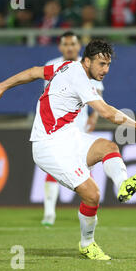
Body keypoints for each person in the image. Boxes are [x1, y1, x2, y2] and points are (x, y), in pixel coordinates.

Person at [0, 39, 136, 260]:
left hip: (69, 136)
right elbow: (108, 113)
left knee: (108, 147)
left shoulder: (65, 66)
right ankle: (87, 244)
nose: (106, 70)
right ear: (88, 60)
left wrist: (4, 85)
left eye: (108, 65)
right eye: (101, 64)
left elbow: (34, 72)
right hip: (48, 145)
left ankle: (123, 186)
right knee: (92, 194)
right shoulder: (79, 76)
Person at [40, 31, 105, 227]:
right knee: (55, 166)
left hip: (80, 127)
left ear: (78, 46)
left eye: (73, 44)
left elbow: (97, 95)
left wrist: (94, 116)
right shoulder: (52, 66)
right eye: (66, 44)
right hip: (58, 128)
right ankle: (49, 212)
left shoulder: (90, 66)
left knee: (85, 167)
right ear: (60, 47)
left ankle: (91, 209)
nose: (69, 47)